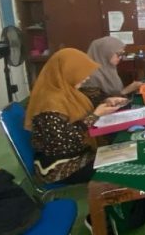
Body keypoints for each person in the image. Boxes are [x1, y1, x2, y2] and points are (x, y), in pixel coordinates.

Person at [26, 48, 127, 185]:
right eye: (81, 73)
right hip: (60, 165)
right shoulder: (49, 104)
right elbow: (64, 144)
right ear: (67, 72)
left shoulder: (67, 91)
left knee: (127, 151)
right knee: (125, 165)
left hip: (81, 153)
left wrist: (106, 101)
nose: (87, 78)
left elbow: (86, 104)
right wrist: (95, 116)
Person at [81, 36, 145, 105]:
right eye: (119, 54)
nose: (120, 57)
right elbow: (98, 103)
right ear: (105, 53)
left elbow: (115, 93)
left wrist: (133, 89)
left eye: (122, 54)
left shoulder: (110, 69)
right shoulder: (90, 76)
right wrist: (126, 91)